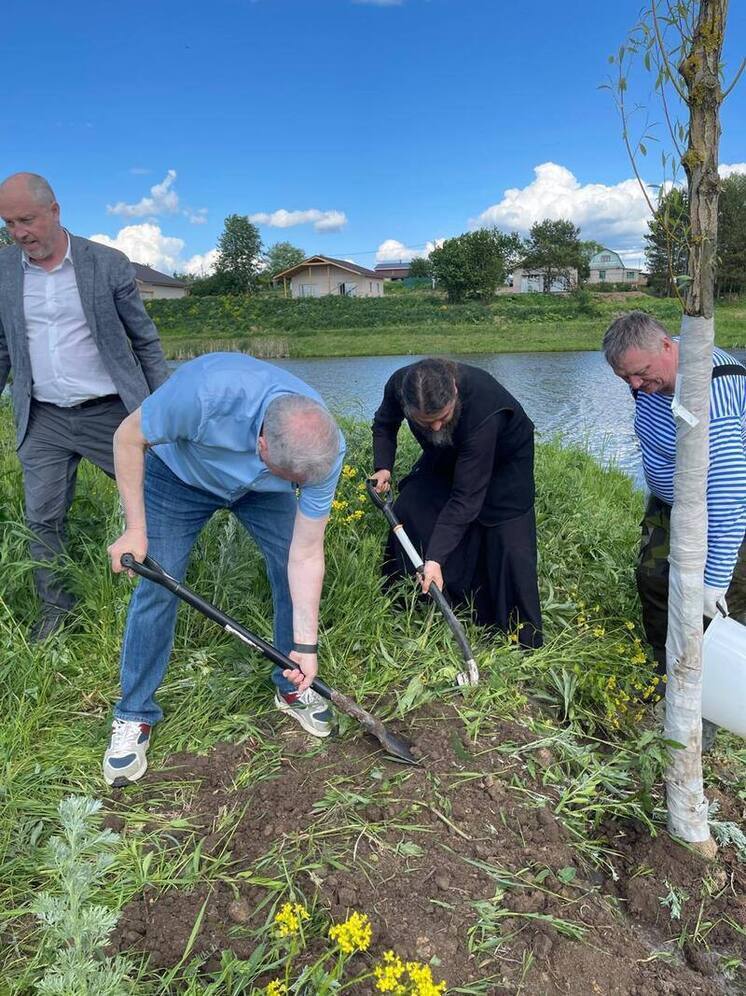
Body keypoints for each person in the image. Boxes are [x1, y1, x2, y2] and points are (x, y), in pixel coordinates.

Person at [104, 352, 345, 786]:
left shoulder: (322, 452)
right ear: (262, 445)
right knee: (158, 584)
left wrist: (306, 646)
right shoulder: (204, 393)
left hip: (262, 490)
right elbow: (127, 437)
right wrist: (135, 529)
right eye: (291, 478)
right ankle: (134, 713)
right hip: (180, 478)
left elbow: (306, 554)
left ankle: (292, 685)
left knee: (287, 566)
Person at [0, 172, 168, 640]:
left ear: (54, 211)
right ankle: (56, 612)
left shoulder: (107, 264)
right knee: (42, 518)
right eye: (9, 224)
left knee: (155, 503)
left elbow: (145, 341)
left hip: (113, 415)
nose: (19, 233)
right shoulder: (3, 272)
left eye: (26, 220)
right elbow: (2, 347)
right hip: (44, 417)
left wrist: (161, 412)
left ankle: (160, 599)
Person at [603, 312, 746, 747]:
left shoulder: (710, 388)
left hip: (725, 510)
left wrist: (715, 577)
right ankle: (668, 675)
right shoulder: (655, 374)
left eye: (641, 374)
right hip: (673, 503)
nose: (634, 386)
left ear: (668, 347)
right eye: (624, 377)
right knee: (653, 579)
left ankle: (710, 714)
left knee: (723, 609)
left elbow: (727, 491)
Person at [370, 357, 542, 649]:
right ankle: (421, 601)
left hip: (505, 462)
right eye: (426, 422)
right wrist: (383, 466)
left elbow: (465, 499)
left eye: (443, 417)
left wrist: (434, 559)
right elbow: (385, 423)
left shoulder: (483, 406)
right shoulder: (401, 386)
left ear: (454, 389)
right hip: (447, 455)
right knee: (411, 506)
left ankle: (520, 641)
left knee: (507, 542)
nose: (436, 427)